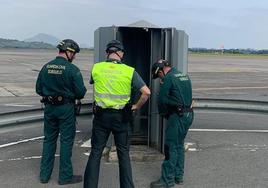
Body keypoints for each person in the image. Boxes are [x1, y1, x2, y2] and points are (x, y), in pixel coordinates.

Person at [84, 39, 151, 188]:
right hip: (122, 118)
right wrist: (135, 106)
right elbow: (146, 93)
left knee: (96, 152)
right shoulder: (129, 71)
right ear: (121, 53)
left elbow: (94, 83)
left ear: (107, 53)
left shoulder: (97, 68)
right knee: (123, 154)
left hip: (101, 117)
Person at [36, 39, 87, 185]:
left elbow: (38, 89)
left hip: (49, 109)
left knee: (49, 140)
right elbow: (81, 92)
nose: (75, 57)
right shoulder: (72, 70)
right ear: (68, 52)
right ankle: (65, 177)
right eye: (74, 53)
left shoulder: (46, 67)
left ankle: (44, 176)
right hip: (65, 109)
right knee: (65, 142)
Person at [150, 59, 194, 188]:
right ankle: (178, 176)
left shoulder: (168, 79)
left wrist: (163, 114)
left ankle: (167, 181)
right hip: (188, 114)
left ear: (161, 70)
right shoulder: (184, 75)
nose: (159, 78)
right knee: (179, 145)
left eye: (158, 75)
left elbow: (162, 100)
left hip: (177, 117)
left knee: (170, 147)